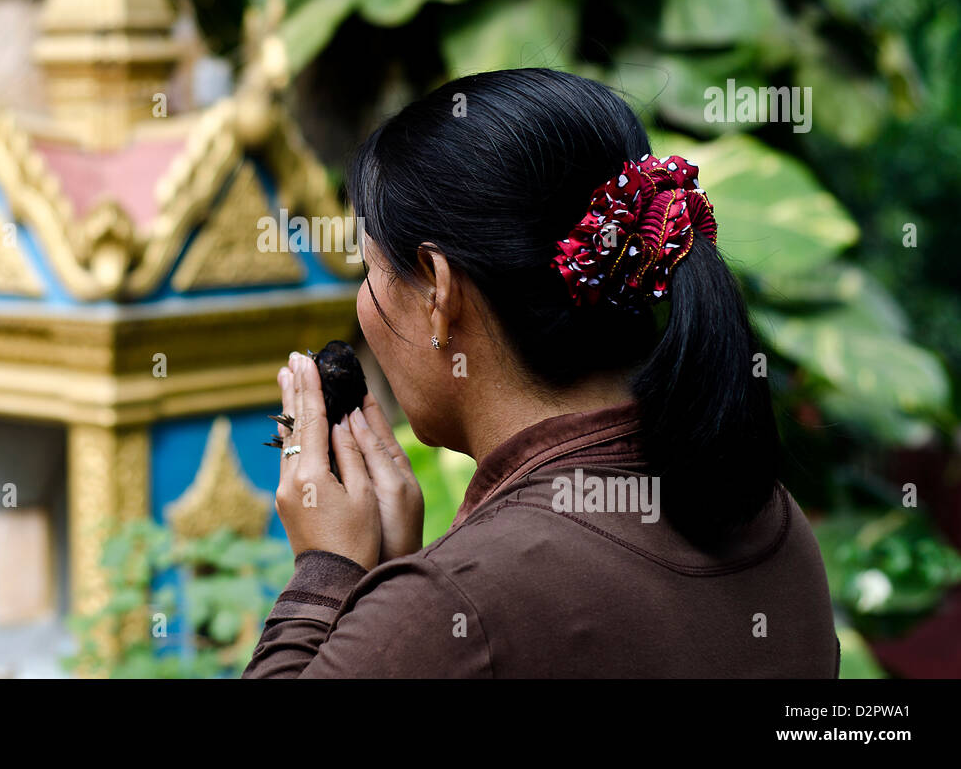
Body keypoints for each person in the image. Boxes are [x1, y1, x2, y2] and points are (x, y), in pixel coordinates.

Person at [244, 68, 838, 678]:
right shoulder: (772, 522)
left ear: (438, 292)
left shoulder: (454, 607)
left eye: (370, 272)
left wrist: (327, 571)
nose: (363, 304)